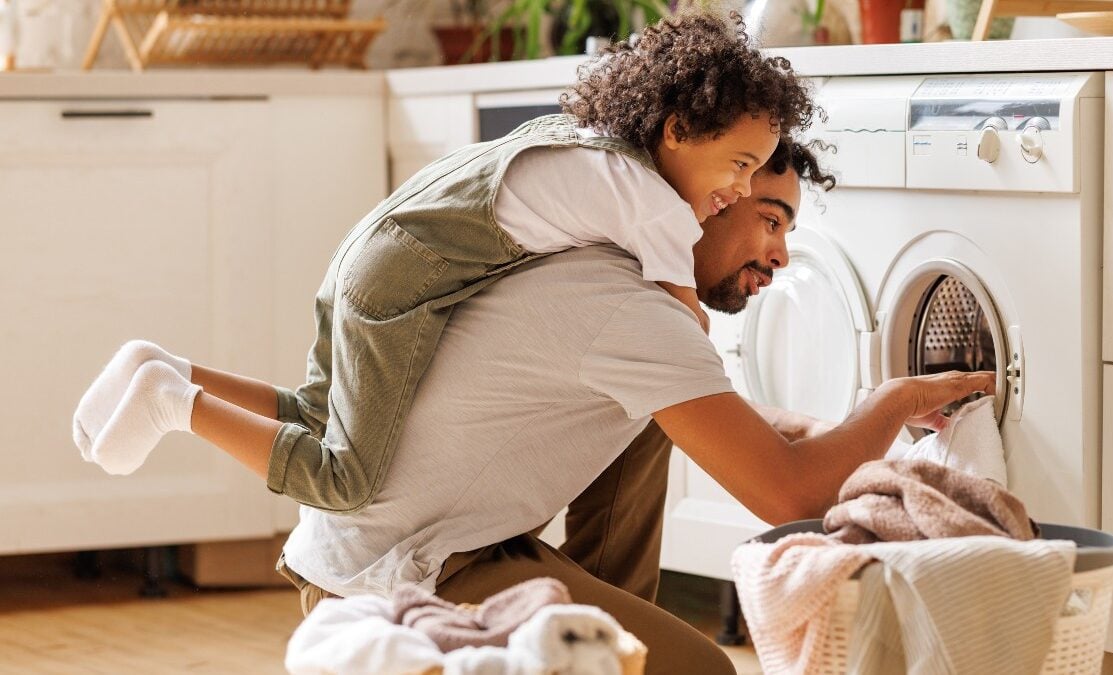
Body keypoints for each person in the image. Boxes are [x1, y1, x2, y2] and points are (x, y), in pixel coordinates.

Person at [267, 137, 987, 674]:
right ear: (714, 196)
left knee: (653, 425)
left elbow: (723, 416)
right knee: (707, 672)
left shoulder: (615, 272)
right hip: (403, 573)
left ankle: (607, 649)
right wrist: (896, 396)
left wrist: (858, 432)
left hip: (438, 542)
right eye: (770, 220)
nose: (782, 255)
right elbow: (789, 489)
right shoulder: (628, 310)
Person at [71, 11, 818, 514]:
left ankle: (167, 363)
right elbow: (684, 342)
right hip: (402, 285)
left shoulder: (598, 150)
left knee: (315, 411)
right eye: (742, 166)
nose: (739, 190)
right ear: (680, 128)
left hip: (370, 256)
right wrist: (761, 428)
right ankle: (176, 402)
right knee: (346, 479)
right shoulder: (652, 206)